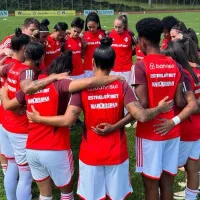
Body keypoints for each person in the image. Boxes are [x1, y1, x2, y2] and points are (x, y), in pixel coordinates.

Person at [26, 37, 174, 200]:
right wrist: (159, 108)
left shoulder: (82, 88)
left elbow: (68, 120)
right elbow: (141, 115)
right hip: (116, 153)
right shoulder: (121, 85)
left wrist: (39, 119)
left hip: (90, 154)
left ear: (92, 62)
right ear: (113, 64)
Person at [1, 50, 128, 200]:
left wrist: (4, 93)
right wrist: (115, 78)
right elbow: (88, 83)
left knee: (44, 193)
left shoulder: (33, 84)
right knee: (66, 193)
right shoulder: (62, 84)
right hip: (56, 147)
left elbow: (8, 105)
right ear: (67, 72)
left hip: (32, 148)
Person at [132, 18, 197, 200]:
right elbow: (179, 100)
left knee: (151, 186)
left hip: (150, 134)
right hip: (172, 130)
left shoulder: (141, 65)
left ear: (142, 40)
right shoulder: (175, 64)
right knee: (167, 183)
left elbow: (142, 104)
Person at [163, 41, 200, 200]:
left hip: (185, 128)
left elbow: (180, 102)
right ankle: (190, 198)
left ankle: (163, 194)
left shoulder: (182, 74)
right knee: (193, 168)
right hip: (197, 126)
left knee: (169, 171)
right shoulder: (196, 71)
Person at [0, 28, 31, 200]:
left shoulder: (8, 65)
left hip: (5, 123)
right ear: (24, 48)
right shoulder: (24, 71)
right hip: (19, 127)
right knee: (25, 174)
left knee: (12, 166)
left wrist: (4, 94)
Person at [108, 15, 135, 85]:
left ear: (124, 26)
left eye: (119, 27)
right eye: (115, 26)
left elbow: (137, 48)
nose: (117, 29)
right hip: (113, 69)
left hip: (127, 69)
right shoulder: (110, 34)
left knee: (126, 92)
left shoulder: (130, 35)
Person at [82, 12, 106, 78]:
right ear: (86, 25)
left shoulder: (103, 34)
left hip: (101, 68)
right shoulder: (83, 35)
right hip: (87, 68)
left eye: (93, 27)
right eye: (89, 27)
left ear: (98, 24)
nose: (91, 29)